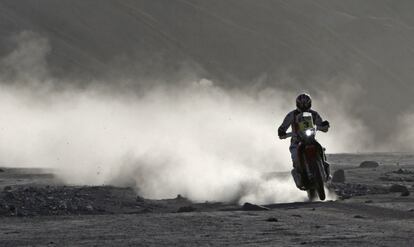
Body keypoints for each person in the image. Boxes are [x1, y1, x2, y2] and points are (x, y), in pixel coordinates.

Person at [277, 93, 331, 189]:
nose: (303, 106)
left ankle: (325, 169)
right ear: (297, 104)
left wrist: (324, 125)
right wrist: (282, 132)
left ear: (309, 104)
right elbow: (283, 127)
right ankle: (299, 177)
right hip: (296, 141)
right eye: (301, 104)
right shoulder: (291, 115)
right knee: (295, 157)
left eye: (305, 104)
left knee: (321, 149)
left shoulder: (314, 114)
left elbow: (321, 125)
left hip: (310, 138)